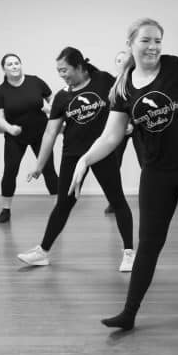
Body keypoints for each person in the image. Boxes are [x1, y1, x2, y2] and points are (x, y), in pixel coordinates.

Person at [69, 18, 178, 331]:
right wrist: (84, 161)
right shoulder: (122, 86)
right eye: (146, 40)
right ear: (131, 42)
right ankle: (129, 313)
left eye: (158, 40)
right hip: (157, 170)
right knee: (148, 242)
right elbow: (111, 136)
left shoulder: (175, 67)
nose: (153, 46)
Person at [16, 47, 135, 271]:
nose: (62, 74)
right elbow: (50, 132)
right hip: (72, 155)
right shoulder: (61, 97)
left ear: (79, 67)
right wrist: (39, 165)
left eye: (65, 70)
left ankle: (129, 253)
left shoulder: (102, 80)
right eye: (58, 71)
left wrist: (129, 122)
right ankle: (42, 252)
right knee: (64, 203)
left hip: (101, 152)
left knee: (117, 199)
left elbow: (124, 97)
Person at [0, 53, 58, 223]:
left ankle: (59, 208)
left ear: (21, 65)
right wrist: (9, 128)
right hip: (15, 136)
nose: (14, 66)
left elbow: (55, 102)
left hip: (41, 134)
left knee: (48, 169)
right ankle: (6, 210)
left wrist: (49, 109)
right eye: (9, 64)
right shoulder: (1, 91)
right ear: (4, 69)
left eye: (16, 63)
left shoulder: (35, 82)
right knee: (10, 171)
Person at [106, 49, 144, 215]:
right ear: (116, 64)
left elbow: (142, 107)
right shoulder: (112, 84)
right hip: (118, 130)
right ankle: (114, 202)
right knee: (113, 166)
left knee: (146, 163)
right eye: (119, 60)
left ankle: (148, 199)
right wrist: (122, 126)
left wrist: (132, 124)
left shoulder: (139, 81)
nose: (123, 62)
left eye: (126, 60)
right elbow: (110, 110)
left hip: (138, 128)